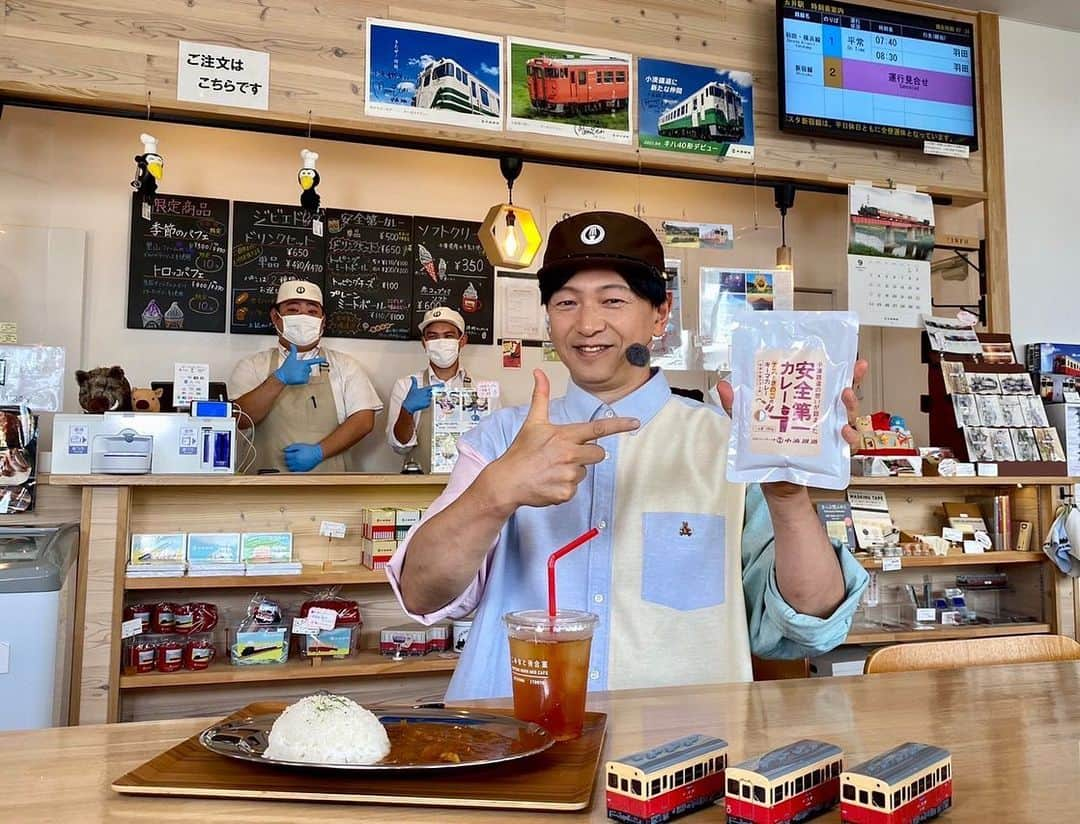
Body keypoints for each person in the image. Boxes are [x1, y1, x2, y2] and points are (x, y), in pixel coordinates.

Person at [388, 211, 869, 701]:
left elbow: (813, 624)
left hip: (682, 755)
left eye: (613, 300)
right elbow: (422, 594)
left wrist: (788, 499)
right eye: (566, 302)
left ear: (660, 314)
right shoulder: (498, 438)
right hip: (515, 744)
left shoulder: (728, 443)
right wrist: (495, 493)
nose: (587, 323)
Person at [229, 280, 382, 473]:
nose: (303, 317)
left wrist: (320, 451)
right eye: (293, 310)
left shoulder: (344, 365)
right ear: (276, 318)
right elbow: (240, 420)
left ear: (323, 321)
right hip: (264, 488)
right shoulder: (252, 365)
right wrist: (279, 379)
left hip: (329, 486)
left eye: (312, 312)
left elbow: (363, 420)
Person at [385, 307, 501, 473]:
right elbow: (399, 447)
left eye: (448, 336)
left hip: (472, 486)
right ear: (424, 342)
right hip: (419, 487)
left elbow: (496, 444)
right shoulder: (406, 385)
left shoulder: (484, 388)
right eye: (432, 336)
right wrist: (407, 411)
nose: (441, 342)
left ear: (462, 340)